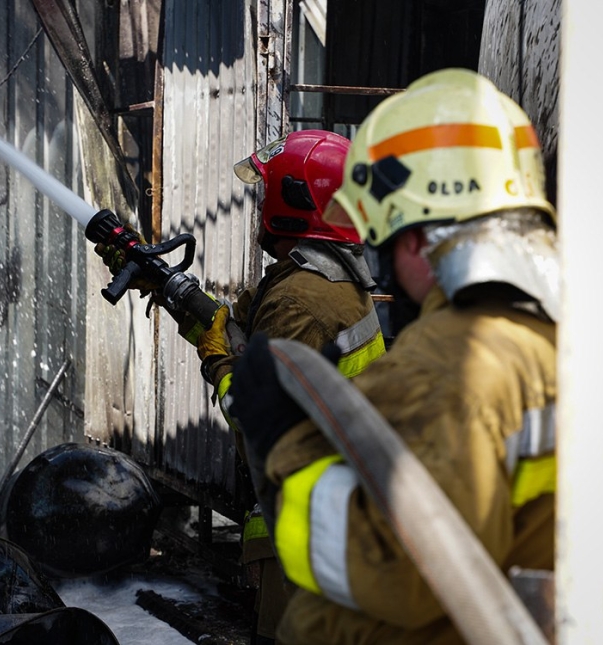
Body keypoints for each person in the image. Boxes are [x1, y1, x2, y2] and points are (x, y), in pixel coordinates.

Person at [228, 67, 559, 644]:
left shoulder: (459, 361)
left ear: (418, 233)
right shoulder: (567, 336)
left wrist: (286, 443)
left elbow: (401, 570)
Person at [98, 130, 387, 644]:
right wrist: (164, 286)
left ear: (293, 203)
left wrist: (216, 360)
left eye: (267, 192)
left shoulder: (297, 304)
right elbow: (238, 333)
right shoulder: (323, 282)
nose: (259, 206)